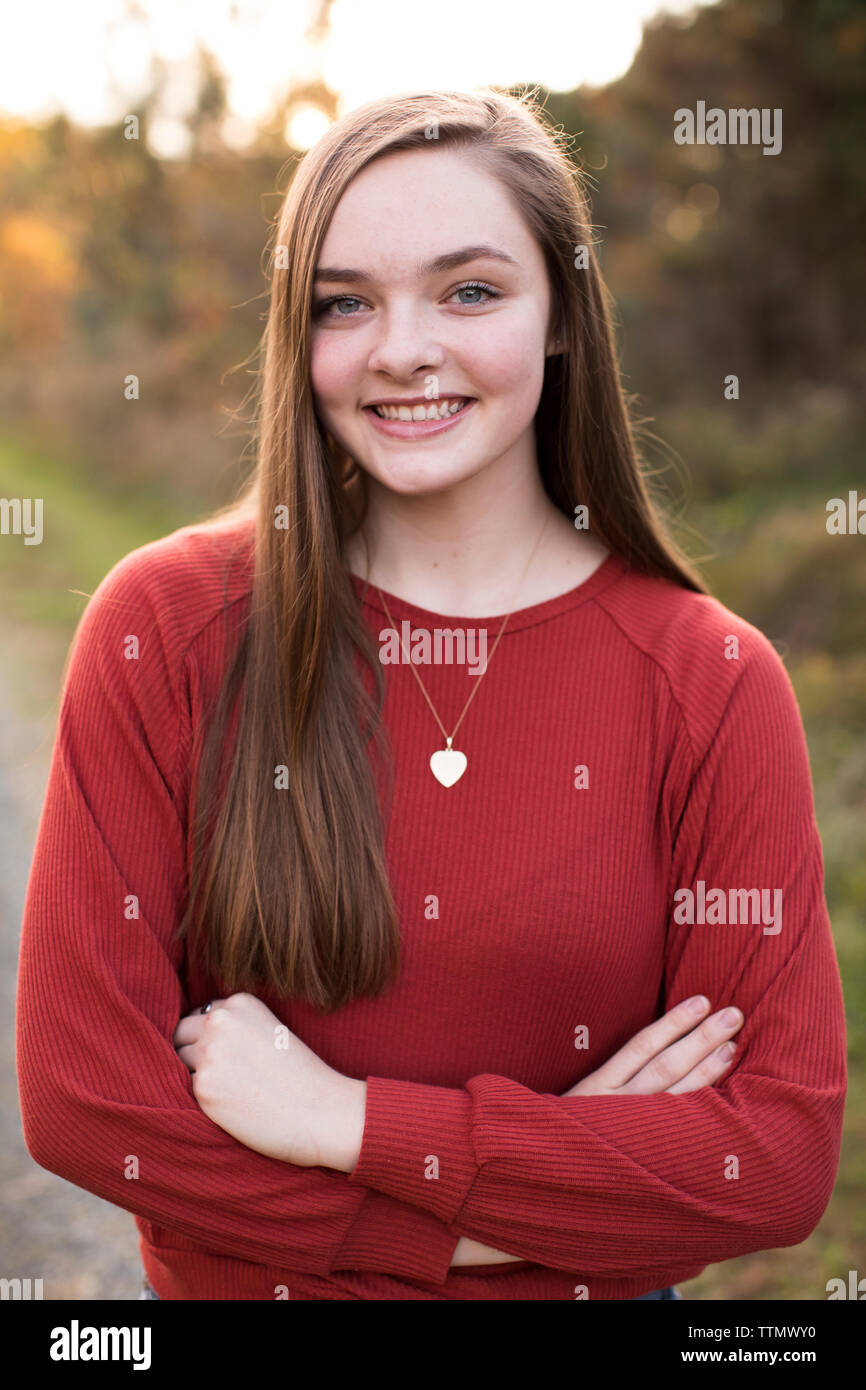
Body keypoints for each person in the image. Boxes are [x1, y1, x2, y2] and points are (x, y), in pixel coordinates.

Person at [16, 88, 846, 1302]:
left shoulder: (708, 681)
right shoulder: (167, 629)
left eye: (469, 290)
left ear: (562, 315)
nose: (401, 347)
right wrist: (498, 1221)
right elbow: (87, 1104)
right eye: (344, 303)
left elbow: (767, 1160)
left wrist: (344, 1121)